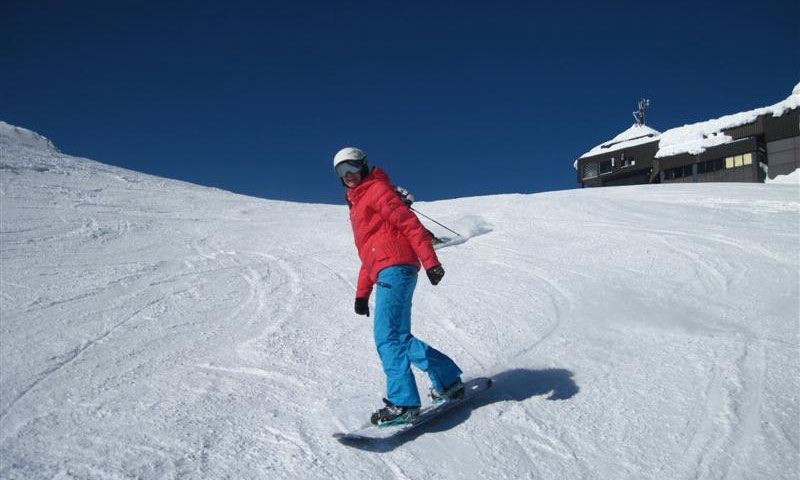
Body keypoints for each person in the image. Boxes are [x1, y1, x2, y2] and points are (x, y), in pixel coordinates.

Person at [333, 147, 464, 427]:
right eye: (342, 172)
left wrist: (431, 261)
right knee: (399, 336)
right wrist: (361, 294)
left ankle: (403, 403)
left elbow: (410, 224)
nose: (349, 176)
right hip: (389, 268)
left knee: (387, 337)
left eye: (353, 167)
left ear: (365, 166)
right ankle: (448, 379)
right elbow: (370, 254)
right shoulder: (358, 205)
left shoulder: (377, 190)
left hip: (397, 268)